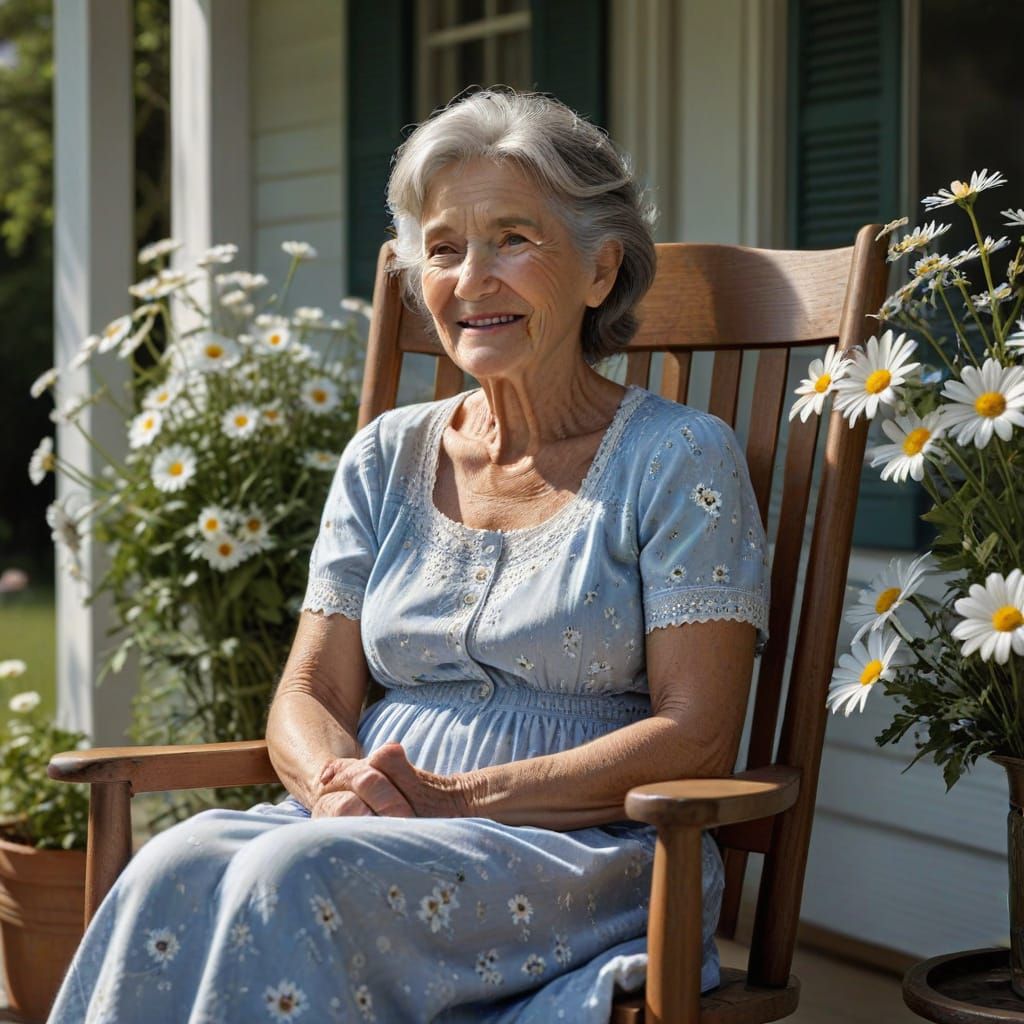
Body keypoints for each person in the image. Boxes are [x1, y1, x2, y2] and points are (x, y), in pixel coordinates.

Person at [49, 89, 770, 1023]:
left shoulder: (679, 458)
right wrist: (336, 790)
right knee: (172, 862)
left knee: (290, 876)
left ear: (601, 270)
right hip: (364, 829)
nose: (472, 279)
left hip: (586, 850)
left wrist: (453, 799)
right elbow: (310, 690)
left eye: (513, 239)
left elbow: (697, 734)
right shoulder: (386, 456)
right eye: (443, 248)